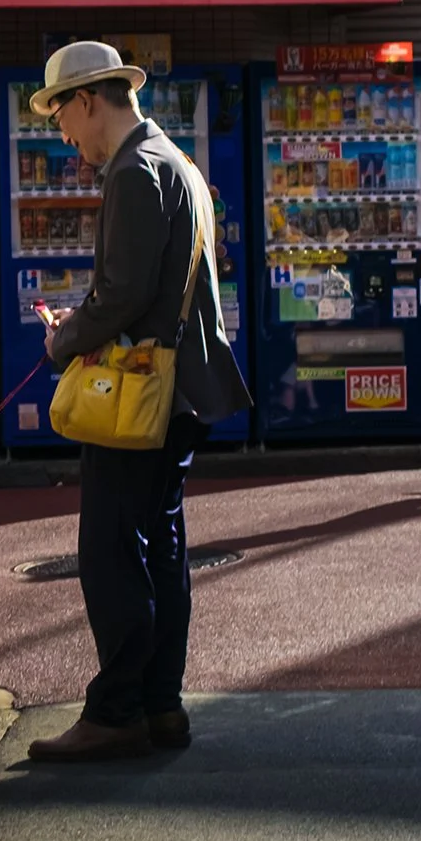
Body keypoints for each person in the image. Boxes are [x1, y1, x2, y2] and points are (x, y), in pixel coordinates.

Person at [28, 42, 252, 762]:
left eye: (59, 113)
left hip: (140, 395)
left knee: (111, 551)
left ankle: (118, 708)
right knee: (161, 546)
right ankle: (160, 704)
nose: (62, 133)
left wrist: (64, 342)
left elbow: (121, 293)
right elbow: (149, 289)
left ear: (89, 99)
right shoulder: (176, 163)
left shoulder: (133, 172)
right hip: (182, 386)